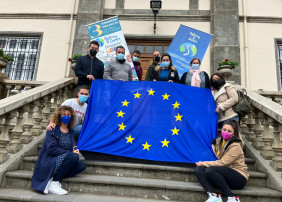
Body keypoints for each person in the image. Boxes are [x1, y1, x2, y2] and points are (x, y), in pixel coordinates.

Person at [32, 106, 86, 195]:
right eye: (64, 114)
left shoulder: (70, 131)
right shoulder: (52, 129)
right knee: (73, 156)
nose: (66, 116)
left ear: (72, 117)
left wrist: (72, 150)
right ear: (59, 116)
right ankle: (55, 182)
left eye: (68, 115)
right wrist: (70, 153)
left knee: (81, 166)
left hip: (63, 158)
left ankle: (52, 180)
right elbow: (51, 149)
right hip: (51, 159)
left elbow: (67, 148)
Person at [195, 120, 248, 202]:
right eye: (224, 130)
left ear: (233, 134)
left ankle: (232, 198)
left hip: (238, 177)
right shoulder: (218, 141)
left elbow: (223, 162)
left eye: (229, 131)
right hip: (222, 174)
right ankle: (213, 195)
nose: (225, 132)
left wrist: (204, 163)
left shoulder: (236, 146)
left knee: (210, 170)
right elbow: (211, 155)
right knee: (199, 169)